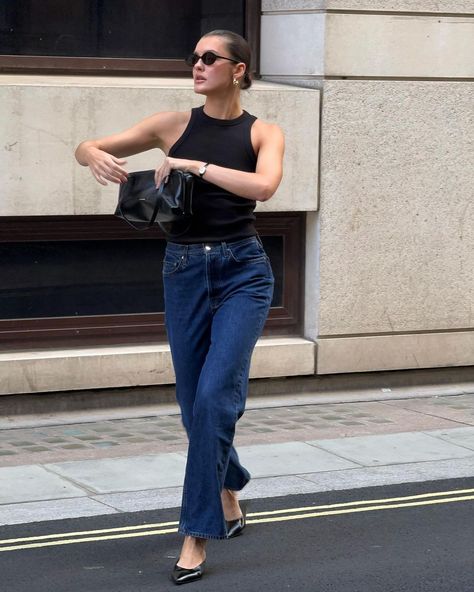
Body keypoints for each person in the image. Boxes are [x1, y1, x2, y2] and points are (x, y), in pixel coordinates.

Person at [75, 29, 284, 585]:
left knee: (217, 395)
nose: (196, 65)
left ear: (238, 69)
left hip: (244, 272)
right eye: (193, 57)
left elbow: (263, 188)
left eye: (208, 58)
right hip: (184, 271)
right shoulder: (171, 123)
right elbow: (90, 144)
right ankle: (228, 483)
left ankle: (196, 534)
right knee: (196, 407)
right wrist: (93, 155)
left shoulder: (264, 131)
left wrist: (194, 167)